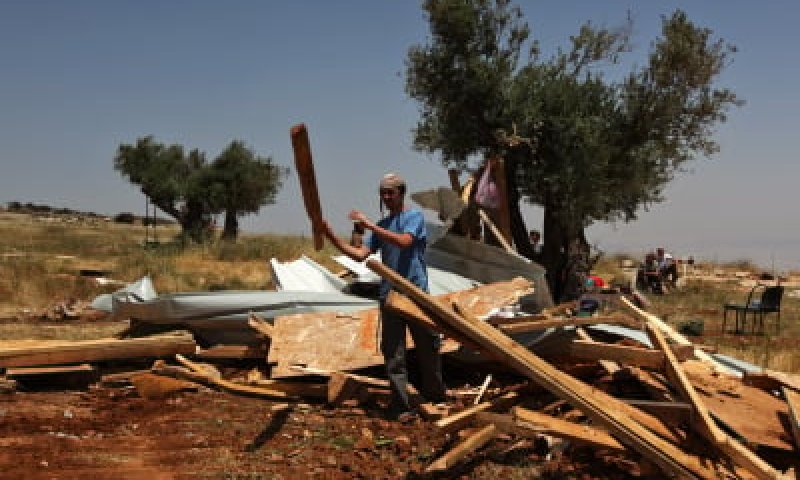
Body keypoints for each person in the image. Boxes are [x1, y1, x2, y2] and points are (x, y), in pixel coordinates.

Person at [320, 172, 446, 421]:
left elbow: (403, 242)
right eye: (383, 193)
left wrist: (369, 225)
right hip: (390, 295)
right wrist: (331, 235)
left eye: (391, 193)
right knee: (393, 352)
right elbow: (359, 255)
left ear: (401, 193)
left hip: (415, 293)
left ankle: (434, 397)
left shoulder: (414, 217)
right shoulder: (381, 226)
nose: (386, 197)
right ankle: (401, 406)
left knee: (428, 347)